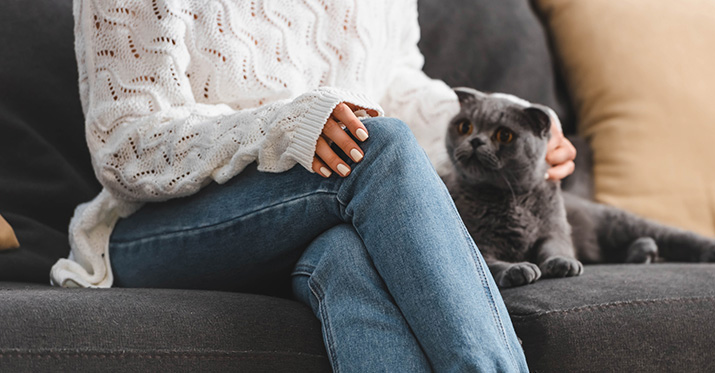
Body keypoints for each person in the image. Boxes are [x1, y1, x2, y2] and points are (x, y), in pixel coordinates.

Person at [52, 0, 576, 371]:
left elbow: (393, 83)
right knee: (380, 146)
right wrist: (282, 128)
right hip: (163, 224)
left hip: (321, 208)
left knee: (347, 255)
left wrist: (515, 127)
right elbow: (125, 142)